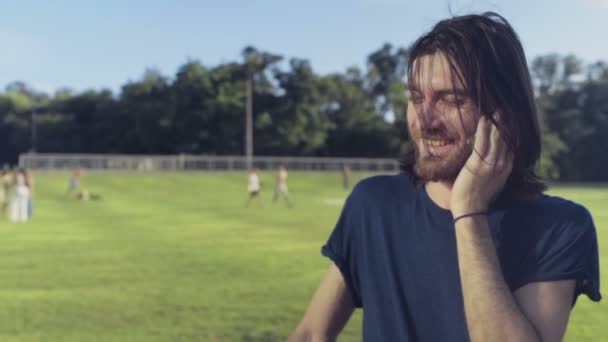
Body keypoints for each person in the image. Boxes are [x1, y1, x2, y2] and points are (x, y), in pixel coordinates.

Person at [289, 13, 601, 342]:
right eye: (416, 98)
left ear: (505, 115)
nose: (424, 120)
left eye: (451, 100)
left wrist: (468, 212)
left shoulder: (560, 227)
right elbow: (312, 334)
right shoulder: (373, 204)